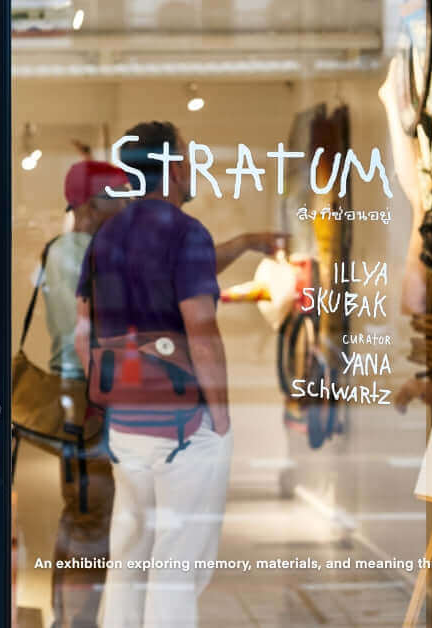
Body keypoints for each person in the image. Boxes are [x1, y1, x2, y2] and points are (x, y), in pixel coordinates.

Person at [73, 121, 282, 626]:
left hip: (125, 420)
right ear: (170, 169)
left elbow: (83, 331)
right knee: (176, 561)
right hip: (184, 423)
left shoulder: (106, 236)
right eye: (187, 158)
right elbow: (202, 329)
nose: (192, 168)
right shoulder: (185, 232)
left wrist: (113, 393)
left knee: (130, 550)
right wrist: (223, 415)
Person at [42, 161, 130, 627]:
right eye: (118, 197)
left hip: (81, 392)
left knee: (81, 512)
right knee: (92, 515)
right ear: (92, 205)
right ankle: (77, 621)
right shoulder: (80, 253)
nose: (126, 206)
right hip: (88, 395)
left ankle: (69, 616)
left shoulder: (71, 249)